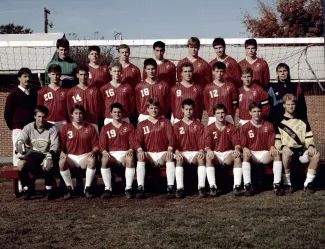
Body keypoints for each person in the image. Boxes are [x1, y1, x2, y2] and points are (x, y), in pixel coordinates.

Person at [275, 94, 319, 193]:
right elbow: (277, 141)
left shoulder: (303, 121)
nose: (291, 106)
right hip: (287, 152)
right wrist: (284, 147)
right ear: (284, 105)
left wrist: (311, 146)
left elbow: (308, 139)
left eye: (293, 104)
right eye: (288, 104)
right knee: (285, 154)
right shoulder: (278, 122)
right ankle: (287, 184)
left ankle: (308, 184)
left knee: (316, 155)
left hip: (301, 152)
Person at [134, 98, 176, 199]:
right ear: (147, 109)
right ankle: (141, 187)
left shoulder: (165, 122)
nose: (154, 110)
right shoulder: (142, 124)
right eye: (151, 108)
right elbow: (136, 141)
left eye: (156, 108)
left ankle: (170, 187)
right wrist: (139, 150)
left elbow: (172, 138)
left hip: (162, 153)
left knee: (169, 156)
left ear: (159, 109)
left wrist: (170, 149)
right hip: (149, 154)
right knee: (140, 157)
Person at [15, 105, 59, 200]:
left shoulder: (52, 128)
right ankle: (27, 189)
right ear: (35, 116)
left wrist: (50, 155)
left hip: (46, 155)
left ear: (46, 117)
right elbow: (21, 139)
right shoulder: (28, 127)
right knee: (21, 164)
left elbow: (55, 144)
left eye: (43, 117)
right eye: (39, 116)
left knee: (48, 162)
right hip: (33, 156)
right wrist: (20, 143)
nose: (41, 119)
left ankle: (49, 190)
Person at [240, 102, 283, 196]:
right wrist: (245, 149)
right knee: (245, 155)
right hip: (252, 154)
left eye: (259, 111)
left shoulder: (269, 125)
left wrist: (272, 147)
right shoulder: (244, 127)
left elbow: (271, 143)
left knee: (276, 154)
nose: (257, 113)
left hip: (264, 154)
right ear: (250, 112)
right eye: (254, 111)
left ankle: (277, 185)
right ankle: (247, 186)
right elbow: (243, 145)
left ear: (262, 111)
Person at [59, 104, 99, 199]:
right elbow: (60, 145)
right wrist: (61, 152)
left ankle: (87, 188)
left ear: (83, 115)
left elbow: (96, 146)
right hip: (71, 157)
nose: (78, 115)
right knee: (61, 162)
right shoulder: (66, 128)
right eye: (76, 113)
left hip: (84, 156)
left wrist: (92, 152)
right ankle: (70, 188)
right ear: (72, 114)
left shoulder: (90, 128)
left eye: (80, 113)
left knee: (92, 161)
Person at [204, 104, 243, 197]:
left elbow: (236, 143)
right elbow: (207, 145)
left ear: (226, 114)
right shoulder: (209, 128)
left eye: (222, 113)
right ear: (214, 115)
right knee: (208, 157)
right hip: (216, 154)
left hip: (227, 153)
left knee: (237, 156)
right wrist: (209, 150)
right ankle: (212, 187)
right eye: (218, 113)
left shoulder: (231, 127)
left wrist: (237, 149)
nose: (220, 115)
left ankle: (237, 186)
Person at [99, 103, 136, 199]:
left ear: (123, 113)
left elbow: (133, 141)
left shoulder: (129, 126)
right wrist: (104, 152)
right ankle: (108, 188)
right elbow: (102, 145)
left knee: (130, 158)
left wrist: (131, 149)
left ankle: (128, 188)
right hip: (112, 154)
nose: (117, 114)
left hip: (125, 153)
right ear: (110, 113)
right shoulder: (105, 128)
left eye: (119, 112)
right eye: (114, 112)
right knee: (104, 159)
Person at [4, 67, 38, 166]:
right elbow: (7, 114)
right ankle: (18, 180)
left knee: (30, 154)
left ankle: (29, 180)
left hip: (31, 130)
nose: (27, 79)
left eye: (29, 77)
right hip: (18, 129)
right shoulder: (13, 94)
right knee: (18, 153)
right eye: (25, 76)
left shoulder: (33, 93)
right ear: (19, 78)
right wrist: (14, 126)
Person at [173, 99, 205, 198]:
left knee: (201, 159)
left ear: (194, 109)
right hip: (182, 152)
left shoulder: (199, 125)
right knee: (179, 160)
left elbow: (203, 140)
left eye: (190, 109)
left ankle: (201, 187)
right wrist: (177, 151)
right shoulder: (176, 125)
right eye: (186, 109)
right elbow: (173, 141)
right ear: (182, 109)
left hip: (195, 151)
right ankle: (180, 188)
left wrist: (201, 150)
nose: (188, 111)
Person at [67, 65, 101, 133]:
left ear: (88, 75)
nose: (83, 77)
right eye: (81, 74)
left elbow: (99, 107)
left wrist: (95, 118)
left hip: (92, 122)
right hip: (77, 123)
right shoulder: (71, 91)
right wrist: (73, 121)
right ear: (77, 75)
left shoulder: (95, 90)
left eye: (85, 74)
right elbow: (69, 108)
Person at [135, 58, 170, 123]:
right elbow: (137, 103)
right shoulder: (139, 86)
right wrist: (142, 113)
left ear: (156, 69)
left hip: (160, 115)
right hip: (144, 116)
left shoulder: (164, 85)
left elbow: (167, 103)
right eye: (148, 69)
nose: (151, 71)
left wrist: (162, 112)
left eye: (153, 69)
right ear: (145, 70)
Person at [38, 64, 68, 131]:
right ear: (49, 75)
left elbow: (69, 109)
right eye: (53, 74)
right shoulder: (42, 91)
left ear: (60, 75)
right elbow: (39, 110)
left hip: (62, 122)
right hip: (48, 121)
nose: (55, 76)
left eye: (57, 74)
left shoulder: (66, 92)